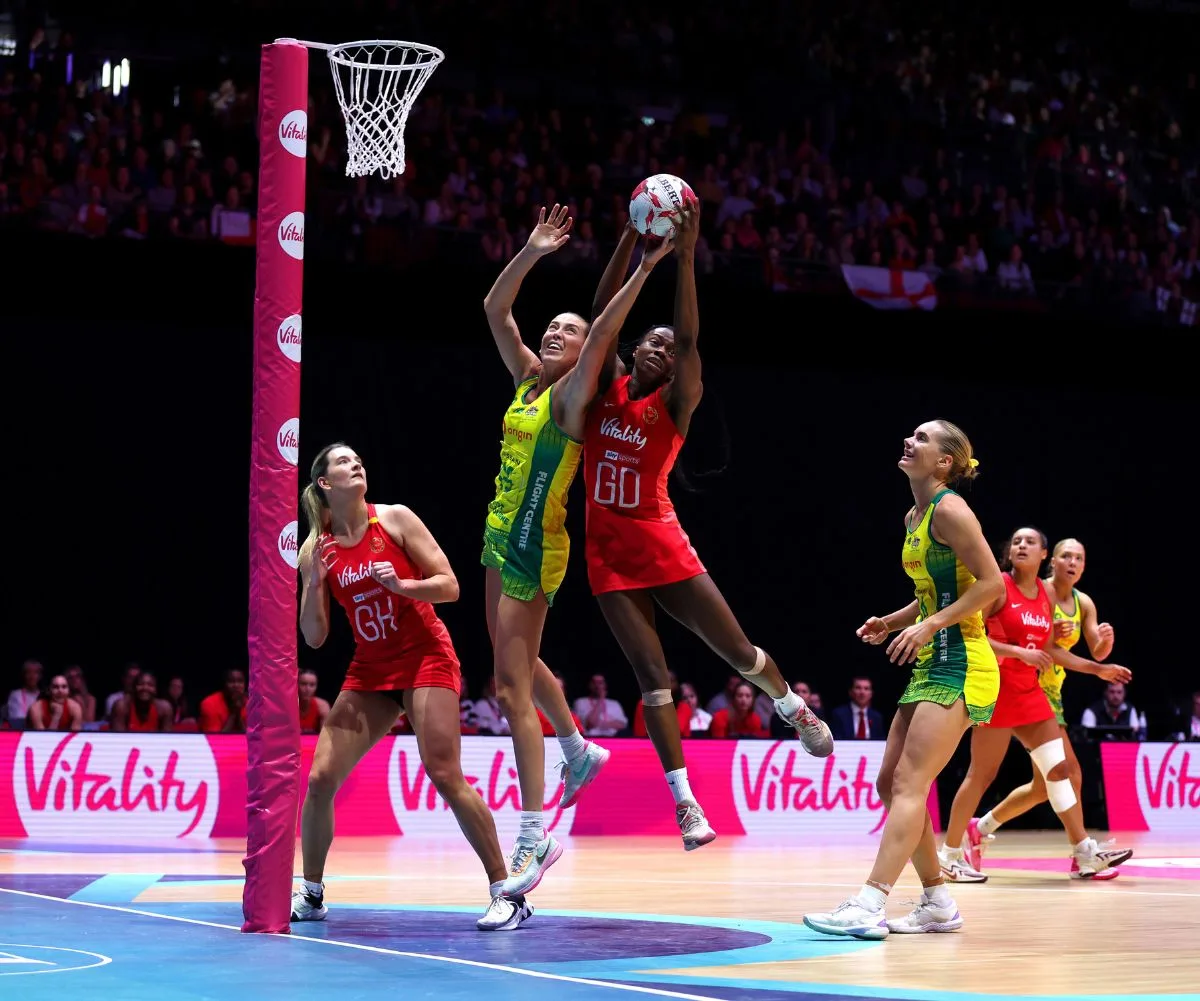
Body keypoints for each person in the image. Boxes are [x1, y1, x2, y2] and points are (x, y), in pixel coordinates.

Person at [580, 207, 832, 850]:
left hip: (661, 542)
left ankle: (791, 705)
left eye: (670, 346)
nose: (663, 348)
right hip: (607, 554)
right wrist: (632, 241)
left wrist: (686, 258)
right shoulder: (604, 384)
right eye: (652, 341)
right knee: (653, 677)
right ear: (634, 347)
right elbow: (604, 306)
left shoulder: (673, 403)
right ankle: (686, 805)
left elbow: (691, 343)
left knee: (739, 653)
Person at [481, 204, 676, 897]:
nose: (556, 331)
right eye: (552, 326)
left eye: (569, 328)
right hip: (500, 531)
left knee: (508, 686)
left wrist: (646, 264)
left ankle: (533, 832)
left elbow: (602, 333)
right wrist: (533, 249)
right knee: (518, 662)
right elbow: (495, 306)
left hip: (538, 542)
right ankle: (574, 745)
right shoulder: (527, 378)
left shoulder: (570, 399)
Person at [293, 442, 530, 932]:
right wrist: (313, 582)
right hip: (371, 669)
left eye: (358, 459)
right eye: (343, 462)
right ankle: (312, 893)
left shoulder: (395, 519)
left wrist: (403, 586)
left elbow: (450, 584)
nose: (356, 464)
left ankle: (507, 893)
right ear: (324, 484)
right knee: (318, 781)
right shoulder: (316, 549)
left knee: (443, 772)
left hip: (425, 656)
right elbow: (315, 638)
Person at [804, 420, 1003, 940]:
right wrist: (894, 621)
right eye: (909, 436)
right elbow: (935, 591)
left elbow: (992, 585)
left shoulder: (951, 509)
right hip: (931, 659)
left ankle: (871, 903)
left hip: (963, 660)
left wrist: (931, 624)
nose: (908, 442)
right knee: (889, 783)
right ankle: (937, 900)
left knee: (910, 784)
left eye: (921, 439)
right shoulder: (914, 515)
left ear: (945, 462)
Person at [937, 527, 1133, 883]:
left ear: (1043, 554)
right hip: (996, 691)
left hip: (1030, 694)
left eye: (1029, 542)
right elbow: (971, 636)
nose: (1021, 546)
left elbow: (1051, 650)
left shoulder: (1046, 593)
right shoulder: (996, 586)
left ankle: (1084, 852)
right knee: (981, 776)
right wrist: (1016, 652)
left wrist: (1097, 669)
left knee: (1059, 772)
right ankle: (949, 854)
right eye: (1015, 542)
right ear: (1010, 553)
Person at [298, 668, 331, 734]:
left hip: (315, 744)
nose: (307, 689)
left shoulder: (322, 706)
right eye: (303, 684)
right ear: (296, 685)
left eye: (312, 685)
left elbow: (324, 737)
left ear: (316, 686)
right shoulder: (288, 707)